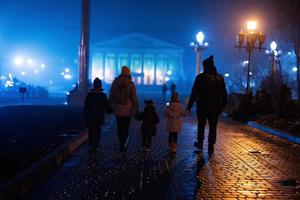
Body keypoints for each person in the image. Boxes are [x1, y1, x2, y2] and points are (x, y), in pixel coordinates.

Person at [186, 55, 227, 153]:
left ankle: (200, 143)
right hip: (216, 106)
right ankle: (211, 145)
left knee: (201, 124)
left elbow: (194, 93)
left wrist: (189, 107)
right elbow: (224, 93)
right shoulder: (219, 77)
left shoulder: (200, 77)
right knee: (213, 126)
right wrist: (223, 105)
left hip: (203, 106)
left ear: (205, 66)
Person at [109, 66, 139, 152]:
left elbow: (111, 95)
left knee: (119, 126)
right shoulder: (130, 83)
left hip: (118, 108)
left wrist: (109, 105)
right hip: (128, 109)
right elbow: (134, 98)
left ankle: (120, 143)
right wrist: (136, 109)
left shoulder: (115, 82)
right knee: (126, 127)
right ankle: (123, 144)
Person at [83, 78, 112, 152]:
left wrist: (85, 115)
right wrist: (111, 110)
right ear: (100, 85)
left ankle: (90, 143)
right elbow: (106, 106)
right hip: (99, 116)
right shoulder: (103, 95)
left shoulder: (89, 95)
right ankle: (96, 145)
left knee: (90, 130)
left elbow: (86, 105)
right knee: (97, 130)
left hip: (90, 116)